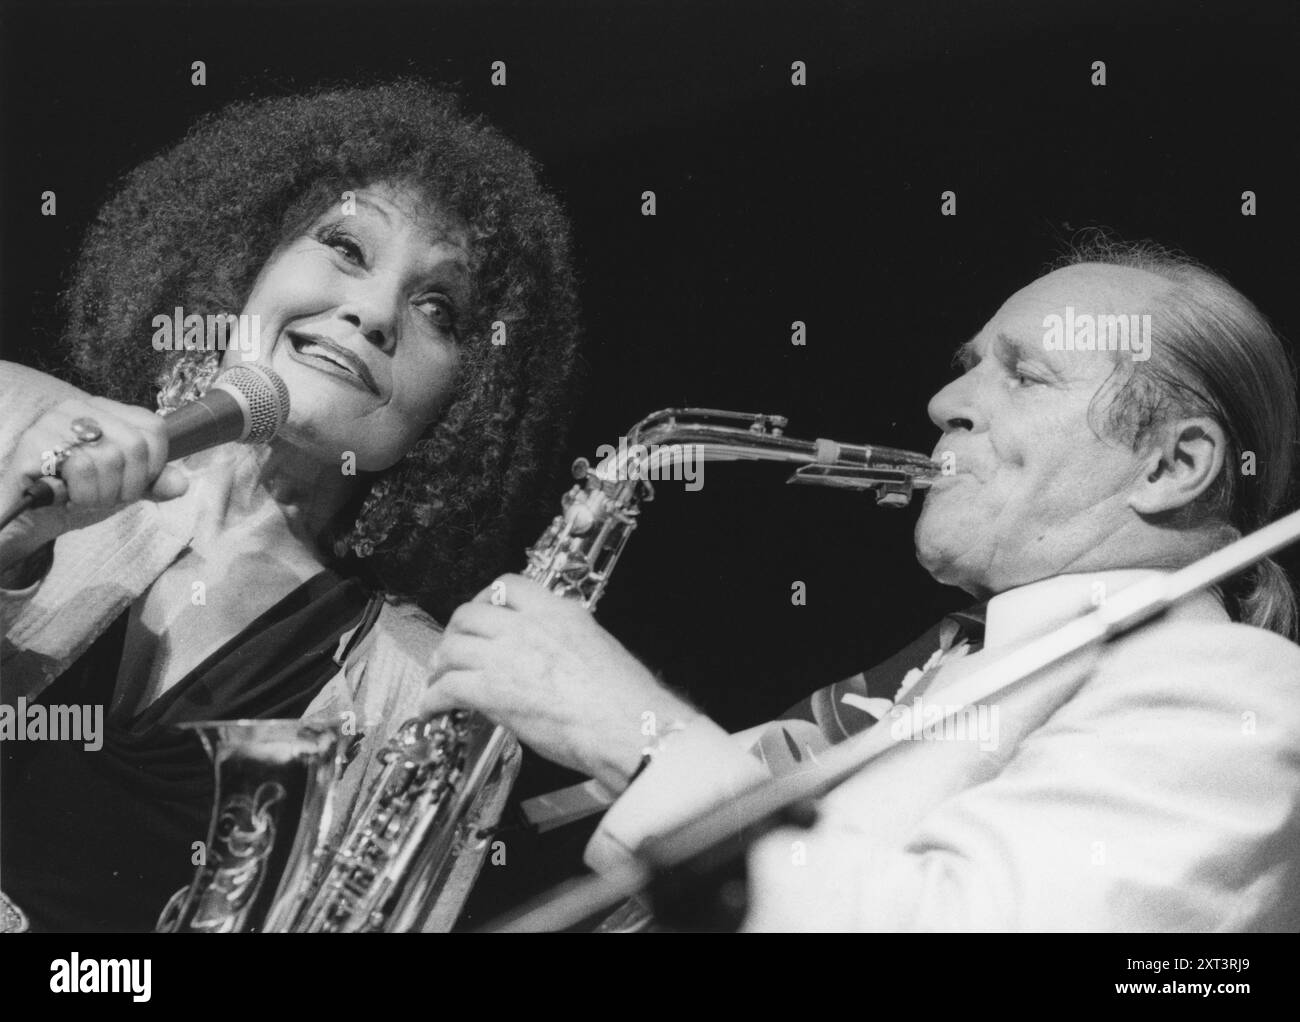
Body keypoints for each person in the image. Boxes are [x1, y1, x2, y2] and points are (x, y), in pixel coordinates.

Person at [422, 237, 1300, 931]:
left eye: (1024, 373)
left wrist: (635, 736)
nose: (943, 403)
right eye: (969, 364)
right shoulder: (949, 670)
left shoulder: (1230, 691)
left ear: (1173, 465)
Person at [0, 80, 583, 933]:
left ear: (466, 404)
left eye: (439, 308)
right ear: (246, 263)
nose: (375, 312)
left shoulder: (419, 693)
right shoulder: (14, 417)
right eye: (346, 246)